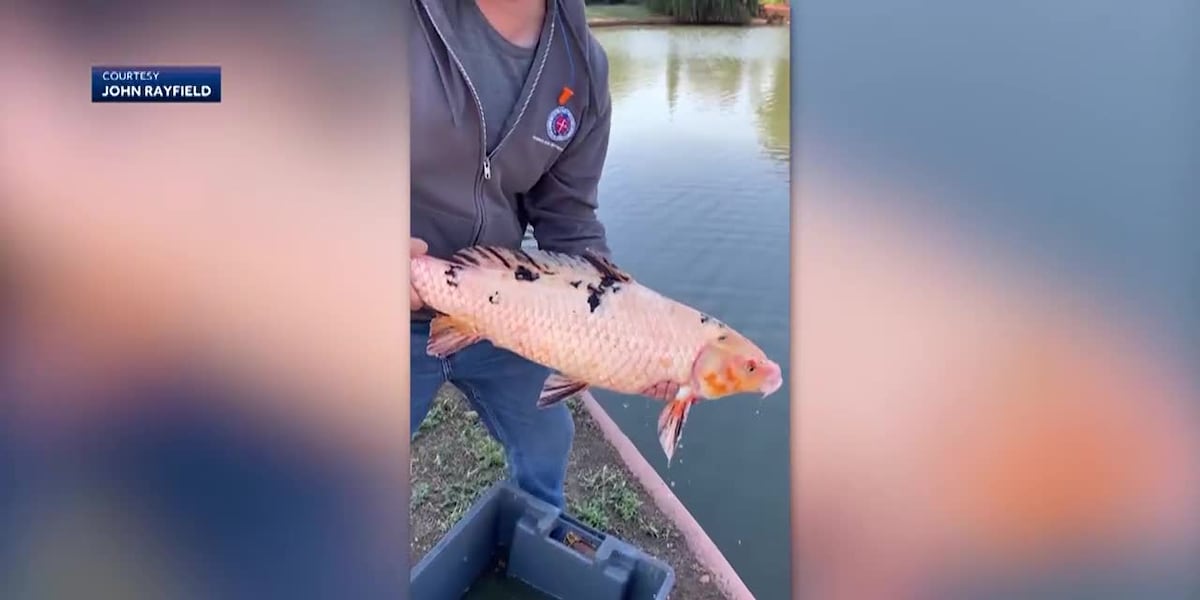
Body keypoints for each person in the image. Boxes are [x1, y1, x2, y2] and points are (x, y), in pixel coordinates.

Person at [408, 0, 614, 509]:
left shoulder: (584, 66)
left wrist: (616, 316)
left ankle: (542, 531)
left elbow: (568, 219)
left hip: (502, 314)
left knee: (547, 439)